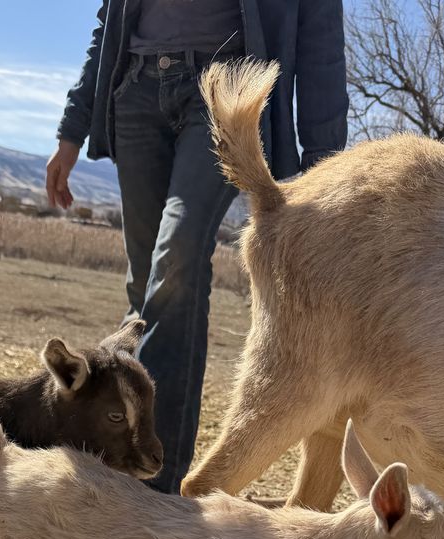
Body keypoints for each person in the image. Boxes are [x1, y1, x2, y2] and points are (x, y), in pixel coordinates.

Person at [47, 1, 348, 493]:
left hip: (224, 92)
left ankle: (154, 494)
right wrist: (71, 129)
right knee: (145, 289)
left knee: (177, 260)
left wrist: (325, 161)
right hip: (135, 90)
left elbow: (319, 34)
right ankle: (125, 467)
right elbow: (110, 22)